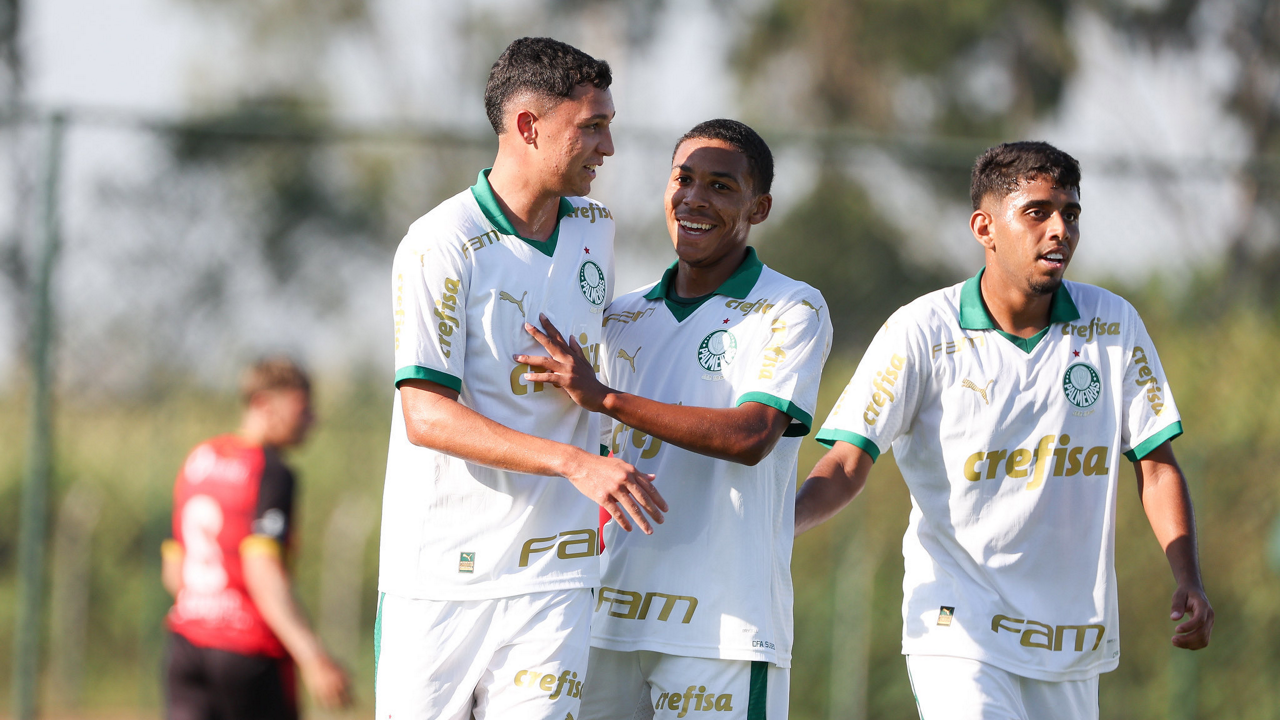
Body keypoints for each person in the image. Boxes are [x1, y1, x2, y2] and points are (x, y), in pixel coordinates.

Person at [796, 141, 1214, 719]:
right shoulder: (921, 331)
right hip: (957, 631)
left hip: (1069, 641)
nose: (1059, 230)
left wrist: (1188, 577)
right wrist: (778, 526)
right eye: (1037, 212)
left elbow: (1157, 465)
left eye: (1070, 213)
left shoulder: (1113, 324)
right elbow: (846, 463)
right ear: (984, 228)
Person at [374, 36, 667, 720]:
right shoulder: (441, 243)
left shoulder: (595, 228)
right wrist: (575, 462)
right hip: (440, 579)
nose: (608, 148)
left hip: (554, 576)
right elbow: (426, 416)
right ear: (529, 127)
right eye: (591, 127)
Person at [518, 118, 832, 719]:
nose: (694, 199)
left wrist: (607, 397)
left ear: (759, 207)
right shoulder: (620, 317)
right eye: (683, 180)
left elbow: (752, 435)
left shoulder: (791, 307)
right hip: (608, 622)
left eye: (721, 186)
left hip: (723, 632)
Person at [161, 357, 351, 720]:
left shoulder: (198, 459)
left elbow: (174, 570)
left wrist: (207, 611)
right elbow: (261, 570)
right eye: (302, 408)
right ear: (264, 404)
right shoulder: (271, 472)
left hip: (187, 645)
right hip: (249, 654)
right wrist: (313, 657)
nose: (312, 419)